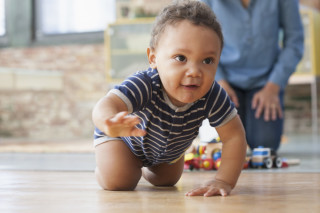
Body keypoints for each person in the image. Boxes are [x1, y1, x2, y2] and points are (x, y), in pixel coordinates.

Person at [92, 0, 247, 197]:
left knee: (166, 181)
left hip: (166, 153)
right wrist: (109, 122)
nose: (194, 72)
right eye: (181, 58)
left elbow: (234, 136)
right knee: (121, 180)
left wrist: (223, 180)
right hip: (122, 140)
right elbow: (106, 104)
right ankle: (105, 168)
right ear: (153, 58)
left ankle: (147, 167)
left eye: (207, 60)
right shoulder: (146, 84)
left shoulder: (212, 95)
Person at [201, 0, 304, 151]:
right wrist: (219, 82)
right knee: (220, 142)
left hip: (266, 82)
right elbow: (201, 44)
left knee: (265, 145)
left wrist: (273, 86)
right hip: (223, 80)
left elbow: (295, 42)